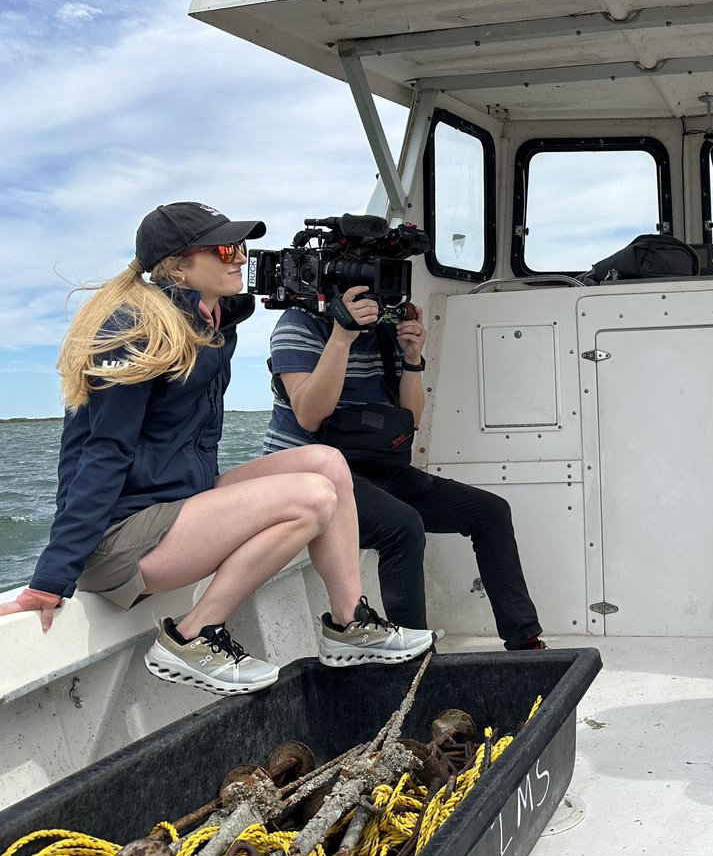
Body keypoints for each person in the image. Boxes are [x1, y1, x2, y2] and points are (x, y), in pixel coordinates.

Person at [0, 202, 434, 695]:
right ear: (176, 266)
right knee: (311, 497)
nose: (239, 259)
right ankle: (192, 635)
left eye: (242, 248)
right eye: (225, 248)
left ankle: (348, 623)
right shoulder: (134, 329)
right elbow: (103, 453)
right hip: (121, 539)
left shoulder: (207, 321)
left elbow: (254, 299)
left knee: (326, 462)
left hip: (176, 505)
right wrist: (51, 578)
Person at [263, 287, 546, 650]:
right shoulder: (297, 324)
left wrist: (412, 358)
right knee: (403, 526)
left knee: (490, 512)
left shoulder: (383, 330)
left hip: (376, 466)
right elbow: (309, 414)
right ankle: (414, 661)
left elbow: (410, 418)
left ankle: (525, 641)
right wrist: (341, 338)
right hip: (314, 475)